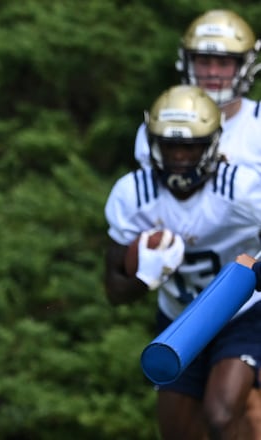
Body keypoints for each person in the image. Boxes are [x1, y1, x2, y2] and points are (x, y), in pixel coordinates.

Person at [104, 84, 261, 439]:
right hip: (179, 318)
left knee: (221, 413)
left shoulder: (242, 189)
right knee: (178, 431)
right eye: (170, 145)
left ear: (213, 143)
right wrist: (144, 277)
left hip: (242, 313)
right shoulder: (133, 194)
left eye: (190, 145)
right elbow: (114, 290)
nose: (179, 156)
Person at [134, 9, 261, 169]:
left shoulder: (258, 124)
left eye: (223, 63)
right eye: (204, 61)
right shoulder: (163, 121)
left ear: (244, 66)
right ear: (189, 63)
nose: (212, 72)